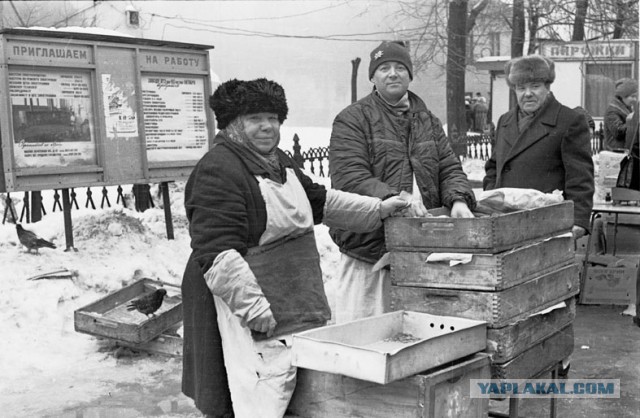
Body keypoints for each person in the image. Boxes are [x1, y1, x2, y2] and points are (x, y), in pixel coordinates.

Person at [181, 78, 408, 418]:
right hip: (243, 300)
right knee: (256, 391)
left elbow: (319, 201)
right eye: (255, 119)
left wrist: (377, 209)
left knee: (289, 386)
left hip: (291, 300)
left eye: (273, 118)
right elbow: (218, 254)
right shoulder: (219, 169)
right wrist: (256, 312)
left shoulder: (278, 161)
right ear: (232, 124)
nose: (267, 127)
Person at [328, 41, 476, 324]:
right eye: (384, 68)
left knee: (420, 340)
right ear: (373, 77)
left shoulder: (428, 121)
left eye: (400, 67)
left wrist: (457, 199)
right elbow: (350, 178)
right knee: (367, 342)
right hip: (368, 255)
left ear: (410, 74)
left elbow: (449, 167)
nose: (392, 74)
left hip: (422, 251)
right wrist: (397, 198)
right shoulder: (352, 119)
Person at [483, 55, 594, 241]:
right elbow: (494, 166)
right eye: (521, 87)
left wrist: (579, 220)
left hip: (547, 224)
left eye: (535, 86)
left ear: (547, 87)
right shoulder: (505, 121)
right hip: (504, 221)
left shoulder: (569, 120)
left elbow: (580, 176)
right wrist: (491, 198)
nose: (527, 93)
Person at [604, 78, 638, 151]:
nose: (635, 99)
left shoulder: (627, 108)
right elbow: (618, 132)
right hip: (616, 154)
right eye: (632, 96)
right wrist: (634, 122)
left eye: (635, 97)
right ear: (623, 96)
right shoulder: (612, 111)